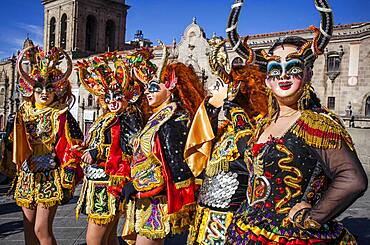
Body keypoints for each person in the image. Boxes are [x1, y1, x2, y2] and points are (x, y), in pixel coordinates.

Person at [225, 0, 368, 244]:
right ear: (267, 80)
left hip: (291, 236)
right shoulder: (263, 123)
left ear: (308, 74)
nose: (282, 75)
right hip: (247, 229)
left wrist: (312, 216)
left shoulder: (315, 123)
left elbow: (352, 179)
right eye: (274, 69)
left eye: (292, 67)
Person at [121, 41, 205, 245]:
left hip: (156, 199)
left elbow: (172, 164)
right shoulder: (157, 118)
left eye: (153, 88)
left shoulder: (173, 121)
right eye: (146, 89)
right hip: (145, 198)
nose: (147, 92)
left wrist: (139, 186)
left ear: (170, 88)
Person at [185, 36, 267, 245]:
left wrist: (238, 115)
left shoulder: (261, 127)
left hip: (233, 219)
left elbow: (253, 157)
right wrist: (212, 109)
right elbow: (202, 144)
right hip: (206, 215)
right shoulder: (226, 128)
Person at [10, 45, 83, 245]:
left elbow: (74, 145)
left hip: (49, 177)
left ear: (56, 91)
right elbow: (13, 144)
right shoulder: (22, 113)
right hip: (26, 176)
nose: (44, 93)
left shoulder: (61, 114)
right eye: (39, 88)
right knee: (28, 228)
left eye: (49, 89)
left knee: (41, 229)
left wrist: (67, 175)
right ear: (31, 90)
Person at [74, 52, 144, 245]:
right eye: (108, 96)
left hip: (108, 185)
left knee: (93, 240)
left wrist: (96, 153)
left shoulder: (128, 117)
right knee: (109, 237)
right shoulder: (106, 117)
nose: (112, 101)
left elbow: (129, 148)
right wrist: (84, 148)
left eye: (118, 97)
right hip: (97, 182)